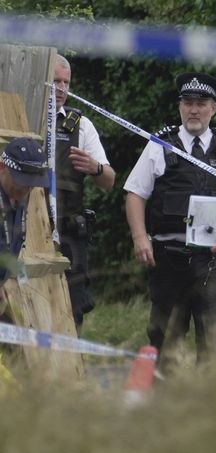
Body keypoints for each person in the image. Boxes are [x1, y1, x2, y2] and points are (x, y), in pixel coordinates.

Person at [124, 72, 216, 370]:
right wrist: (139, 237)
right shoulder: (161, 143)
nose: (194, 109)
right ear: (180, 106)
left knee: (215, 339)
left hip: (214, 260)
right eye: (188, 103)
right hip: (169, 259)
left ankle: (209, 407)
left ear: (214, 108)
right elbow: (134, 193)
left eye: (201, 103)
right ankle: (165, 404)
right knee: (165, 336)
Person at [53, 54, 117, 332]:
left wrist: (95, 167)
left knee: (72, 306)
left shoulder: (81, 125)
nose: (61, 88)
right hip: (23, 231)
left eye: (66, 82)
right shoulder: (21, 115)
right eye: (55, 80)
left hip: (68, 233)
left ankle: (71, 372)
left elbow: (109, 181)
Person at [0, 137, 49, 392]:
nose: (26, 191)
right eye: (22, 183)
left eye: (32, 185)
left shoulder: (22, 194)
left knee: (18, 363)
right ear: (2, 167)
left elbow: (12, 241)